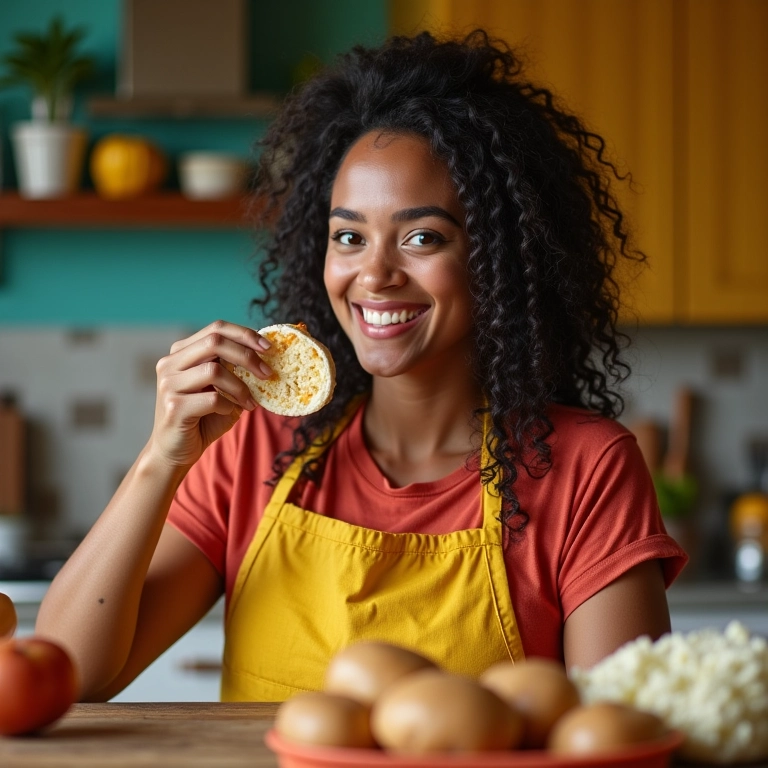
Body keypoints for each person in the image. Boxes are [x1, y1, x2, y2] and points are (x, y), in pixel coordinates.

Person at [36, 29, 687, 702]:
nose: (373, 274)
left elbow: (619, 734)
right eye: (348, 236)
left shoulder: (587, 469)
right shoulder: (254, 444)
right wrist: (161, 460)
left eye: (422, 237)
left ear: (500, 257)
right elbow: (67, 675)